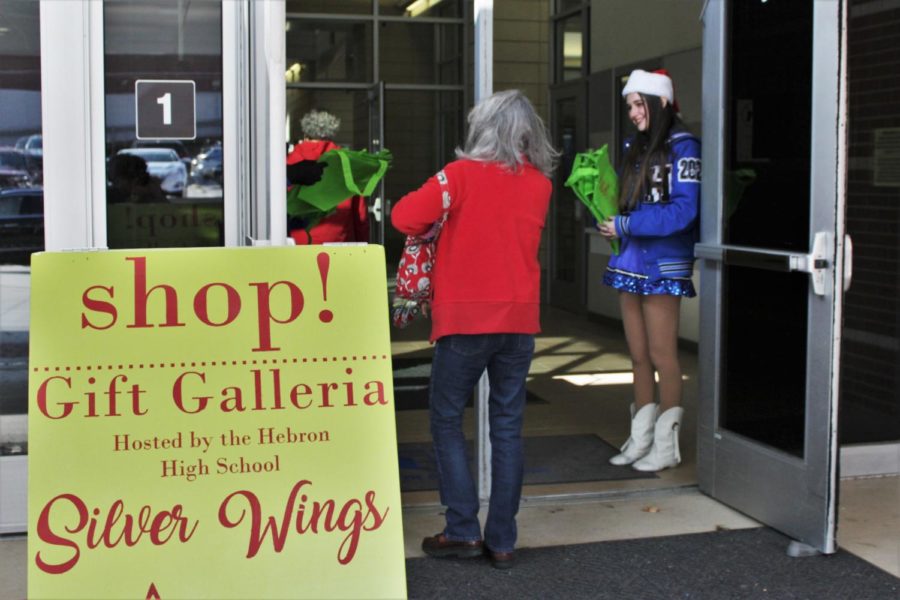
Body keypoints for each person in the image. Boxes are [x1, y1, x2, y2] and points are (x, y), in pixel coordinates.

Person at [391, 90, 556, 570]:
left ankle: (461, 528)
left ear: (483, 128)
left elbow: (404, 216)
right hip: (519, 321)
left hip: (464, 322)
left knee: (445, 419)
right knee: (507, 427)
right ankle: (502, 539)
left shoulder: (459, 176)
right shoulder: (540, 184)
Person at [598, 69, 701, 472]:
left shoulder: (685, 147)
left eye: (638, 104)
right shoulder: (637, 148)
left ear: (660, 104)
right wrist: (612, 217)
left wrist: (626, 224)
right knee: (638, 355)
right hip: (631, 259)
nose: (632, 113)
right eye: (629, 106)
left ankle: (666, 445)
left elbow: (684, 211)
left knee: (663, 355)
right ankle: (641, 440)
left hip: (664, 262)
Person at [286, 109, 369, 244]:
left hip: (296, 244)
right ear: (332, 134)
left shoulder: (289, 163)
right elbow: (360, 215)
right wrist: (363, 242)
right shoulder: (347, 165)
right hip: (336, 244)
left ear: (305, 134)